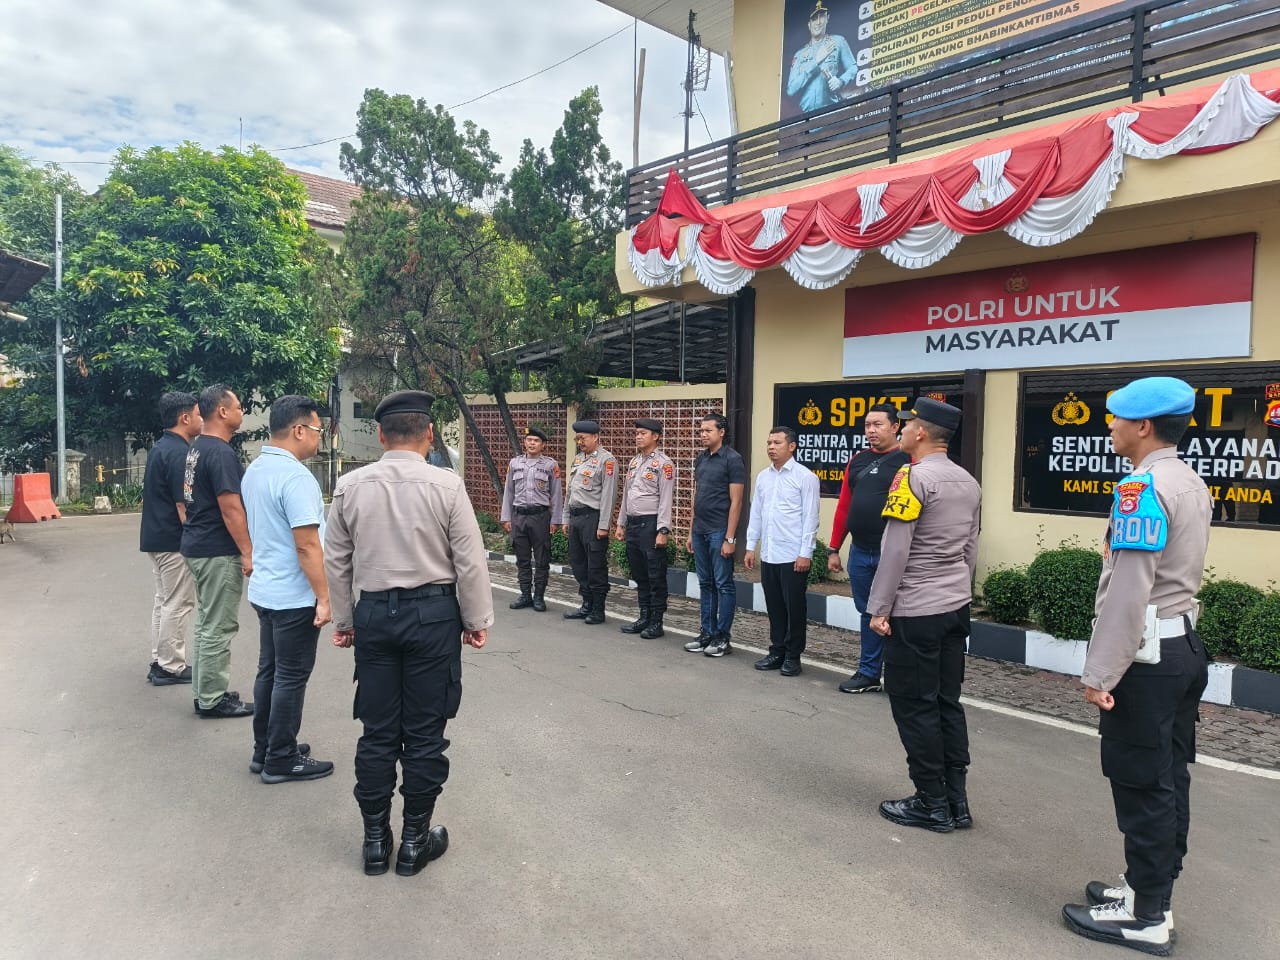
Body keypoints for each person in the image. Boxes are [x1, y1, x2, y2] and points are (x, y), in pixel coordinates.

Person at [1061, 377, 1211, 956]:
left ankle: (1148, 918)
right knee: (1167, 778)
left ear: (1143, 426)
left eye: (1116, 418)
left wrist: (1099, 673)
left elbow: (1129, 590)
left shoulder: (1140, 488)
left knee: (1142, 784)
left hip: (1147, 658)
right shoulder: (1189, 480)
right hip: (1181, 648)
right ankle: (1149, 890)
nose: (1110, 426)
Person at [325, 390, 493, 878]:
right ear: (430, 434)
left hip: (374, 615)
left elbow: (337, 558)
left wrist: (344, 621)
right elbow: (469, 559)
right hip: (433, 617)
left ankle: (375, 843)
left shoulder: (349, 486)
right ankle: (415, 843)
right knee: (424, 733)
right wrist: (476, 621)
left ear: (381, 435)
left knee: (378, 732)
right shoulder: (448, 486)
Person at [866, 397, 980, 833]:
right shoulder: (968, 482)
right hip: (954, 606)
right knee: (946, 701)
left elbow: (896, 550)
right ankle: (956, 801)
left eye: (908, 424)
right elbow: (970, 548)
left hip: (916, 609)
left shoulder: (911, 478)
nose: (903, 430)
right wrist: (958, 590)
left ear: (920, 433)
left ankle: (931, 803)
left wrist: (880, 607)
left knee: (915, 706)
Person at [241, 396, 333, 784]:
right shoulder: (296, 478)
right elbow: (307, 545)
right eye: (317, 430)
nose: (319, 438)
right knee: (291, 676)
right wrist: (324, 597)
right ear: (298, 430)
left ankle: (265, 748)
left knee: (270, 671)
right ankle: (281, 757)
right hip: (294, 596)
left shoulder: (256, 469)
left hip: (266, 590)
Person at [180, 384, 254, 720]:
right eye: (238, 406)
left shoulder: (197, 447)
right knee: (218, 627)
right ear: (222, 411)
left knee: (206, 624)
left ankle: (205, 692)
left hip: (198, 544)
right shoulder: (221, 453)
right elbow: (230, 508)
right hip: (216, 549)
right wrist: (247, 551)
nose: (241, 412)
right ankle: (212, 699)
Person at [827, 403, 912, 693]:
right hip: (861, 552)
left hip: (894, 555)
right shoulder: (858, 460)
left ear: (895, 427)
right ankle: (869, 673)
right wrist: (834, 548)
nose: (871, 430)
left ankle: (900, 676)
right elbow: (844, 506)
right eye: (867, 425)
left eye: (878, 424)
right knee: (868, 613)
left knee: (898, 615)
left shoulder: (909, 460)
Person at [745, 426, 820, 677]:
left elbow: (811, 518)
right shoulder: (763, 477)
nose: (771, 447)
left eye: (777, 442)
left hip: (793, 555)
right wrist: (750, 546)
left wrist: (805, 553)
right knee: (774, 606)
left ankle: (793, 656)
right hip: (770, 553)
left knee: (794, 608)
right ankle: (776, 651)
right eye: (769, 442)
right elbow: (756, 513)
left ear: (792, 446)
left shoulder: (805, 477)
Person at [139, 391, 202, 686]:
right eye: (198, 414)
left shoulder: (160, 447)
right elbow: (183, 504)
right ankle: (171, 666)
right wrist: (194, 539)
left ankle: (160, 659)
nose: (202, 419)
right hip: (174, 541)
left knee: (164, 601)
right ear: (185, 418)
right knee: (178, 602)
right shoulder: (181, 454)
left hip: (155, 537)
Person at [684, 413, 746, 657]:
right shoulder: (701, 459)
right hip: (700, 530)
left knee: (723, 584)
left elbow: (736, 502)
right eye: (701, 430)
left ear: (721, 432)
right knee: (706, 583)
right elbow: (696, 496)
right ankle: (707, 633)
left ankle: (722, 637)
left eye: (708, 430)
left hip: (720, 530)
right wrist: (691, 532)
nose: (703, 434)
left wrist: (730, 538)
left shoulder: (733, 459)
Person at [614, 418, 676, 640]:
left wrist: (663, 530)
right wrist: (621, 523)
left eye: (643, 433)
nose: (638, 437)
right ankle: (644, 616)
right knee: (639, 573)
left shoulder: (664, 464)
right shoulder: (634, 461)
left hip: (651, 524)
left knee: (655, 574)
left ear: (655, 436)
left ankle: (656, 621)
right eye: (637, 433)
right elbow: (627, 495)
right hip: (633, 523)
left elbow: (666, 498)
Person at [500, 426, 564, 613]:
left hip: (540, 517)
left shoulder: (550, 465)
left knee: (542, 559)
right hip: (519, 516)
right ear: (525, 442)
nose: (532, 443)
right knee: (522, 559)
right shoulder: (515, 463)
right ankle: (525, 594)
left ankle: (539, 597)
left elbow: (557, 494)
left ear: (543, 445)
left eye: (536, 441)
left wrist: (555, 520)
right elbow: (508, 492)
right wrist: (506, 517)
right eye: (529, 440)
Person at [562, 420, 618, 626]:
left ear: (595, 437)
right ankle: (586, 603)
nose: (580, 442)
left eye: (583, 438)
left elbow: (609, 495)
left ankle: (597, 609)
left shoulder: (607, 460)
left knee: (595, 565)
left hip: (592, 518)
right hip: (576, 517)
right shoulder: (578, 459)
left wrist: (604, 525)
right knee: (578, 563)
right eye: (578, 438)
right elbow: (570, 491)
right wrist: (566, 517)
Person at [785, 1, 857, 113]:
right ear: (809, 25)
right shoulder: (799, 55)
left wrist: (841, 81)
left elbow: (853, 67)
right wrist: (815, 62)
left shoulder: (838, 41)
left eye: (822, 16)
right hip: (807, 117)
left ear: (827, 18)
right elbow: (791, 90)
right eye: (814, 19)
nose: (818, 22)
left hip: (832, 111)